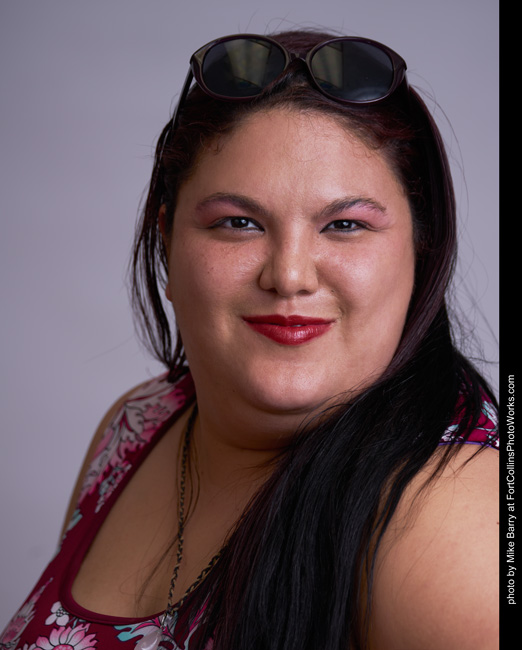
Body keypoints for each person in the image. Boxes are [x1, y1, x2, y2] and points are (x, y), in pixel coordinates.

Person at [1, 29, 498, 650]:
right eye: (238, 223)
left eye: (345, 225)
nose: (288, 276)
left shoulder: (447, 521)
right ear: (167, 243)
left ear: (421, 252)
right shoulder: (136, 425)